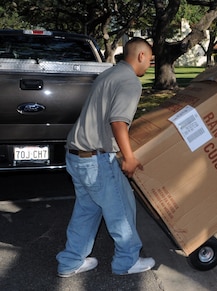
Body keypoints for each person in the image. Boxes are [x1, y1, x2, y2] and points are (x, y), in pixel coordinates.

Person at [56, 37, 155, 277]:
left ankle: (70, 262)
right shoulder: (130, 81)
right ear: (141, 55)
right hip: (96, 160)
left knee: (86, 211)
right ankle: (126, 261)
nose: (150, 65)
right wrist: (129, 158)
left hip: (76, 155)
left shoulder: (109, 74)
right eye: (150, 60)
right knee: (121, 210)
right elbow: (118, 121)